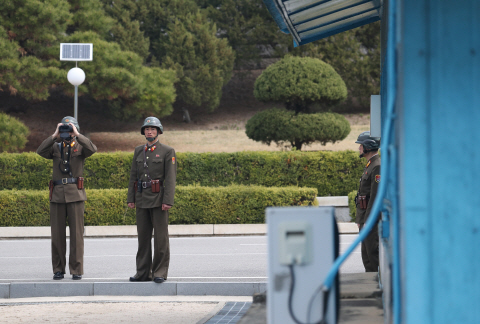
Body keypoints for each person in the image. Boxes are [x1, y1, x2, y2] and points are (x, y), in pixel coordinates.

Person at [37, 116, 97, 280]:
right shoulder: (55, 147)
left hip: (75, 195)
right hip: (57, 195)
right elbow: (40, 151)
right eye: (66, 129)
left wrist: (77, 134)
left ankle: (76, 270)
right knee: (57, 235)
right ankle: (58, 269)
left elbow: (93, 149)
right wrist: (54, 135)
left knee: (77, 235)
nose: (67, 133)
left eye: (69, 129)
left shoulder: (80, 146)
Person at [127, 117, 176, 283]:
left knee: (161, 239)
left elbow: (170, 179)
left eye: (153, 129)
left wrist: (167, 200)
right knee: (143, 238)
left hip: (158, 199)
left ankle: (159, 272)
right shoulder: (138, 151)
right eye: (147, 129)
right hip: (141, 198)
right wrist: (131, 198)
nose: (149, 131)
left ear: (159, 131)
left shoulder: (167, 151)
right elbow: (133, 176)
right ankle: (142, 273)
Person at [355, 131, 381, 272]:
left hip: (371, 218)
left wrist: (368, 221)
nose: (359, 148)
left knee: (372, 253)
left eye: (361, 145)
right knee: (366, 254)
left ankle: (377, 284)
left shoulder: (377, 166)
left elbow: (375, 196)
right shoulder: (370, 164)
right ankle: (371, 280)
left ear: (368, 147)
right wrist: (360, 218)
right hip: (365, 216)